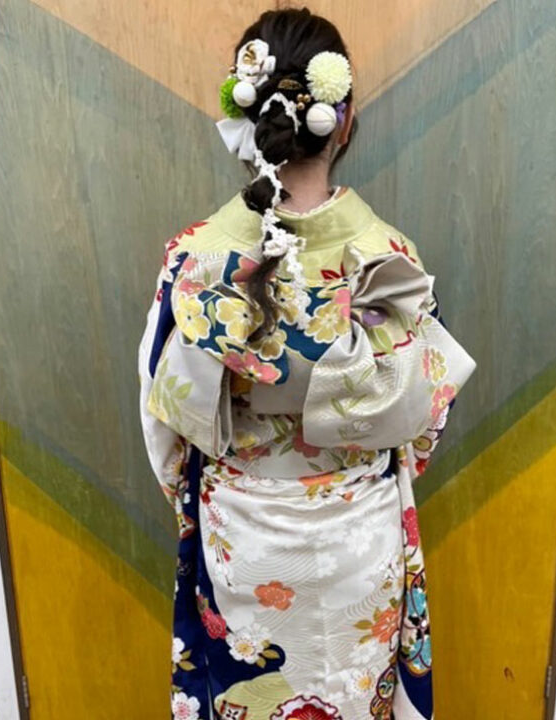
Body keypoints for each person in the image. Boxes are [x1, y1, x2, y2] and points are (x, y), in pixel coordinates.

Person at [138, 7, 477, 720]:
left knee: (251, 698)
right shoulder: (392, 258)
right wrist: (346, 481)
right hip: (360, 543)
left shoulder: (194, 258)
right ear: (343, 124)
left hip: (243, 541)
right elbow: (423, 422)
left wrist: (228, 493)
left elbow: (164, 425)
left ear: (246, 120)